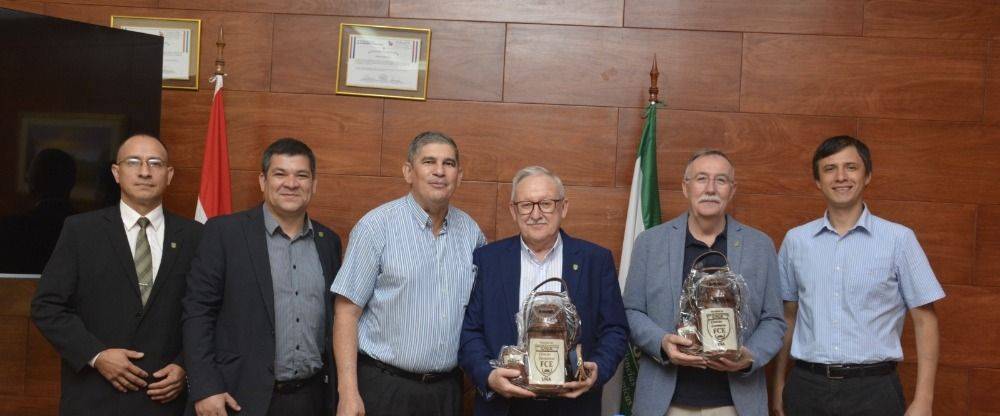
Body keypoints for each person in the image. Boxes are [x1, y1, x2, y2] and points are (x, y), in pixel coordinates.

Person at [770, 136, 944, 416]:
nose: (841, 177)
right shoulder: (796, 241)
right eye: (829, 169)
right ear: (817, 181)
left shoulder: (899, 239)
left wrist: (924, 399)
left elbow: (925, 320)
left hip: (875, 391)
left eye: (851, 167)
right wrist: (778, 386)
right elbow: (787, 317)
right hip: (806, 388)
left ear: (867, 176)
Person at [31, 134, 202, 415]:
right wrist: (96, 355)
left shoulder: (197, 237)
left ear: (168, 175)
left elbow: (207, 312)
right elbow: (46, 306)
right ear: (116, 172)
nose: (145, 171)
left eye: (155, 163)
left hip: (165, 402)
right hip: (94, 398)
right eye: (133, 162)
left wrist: (185, 366)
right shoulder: (81, 231)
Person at [183, 138, 342, 416]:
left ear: (313, 184)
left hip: (311, 400)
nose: (291, 183)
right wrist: (205, 386)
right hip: (237, 397)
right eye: (280, 174)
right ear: (262, 181)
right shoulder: (224, 233)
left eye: (301, 175)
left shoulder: (328, 241)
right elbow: (198, 312)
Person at [332, 131, 486, 416]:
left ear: (459, 175)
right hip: (385, 388)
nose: (439, 171)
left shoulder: (472, 233)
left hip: (446, 391)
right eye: (429, 161)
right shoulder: (375, 228)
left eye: (449, 163)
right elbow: (346, 313)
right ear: (408, 172)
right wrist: (348, 392)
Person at [623, 149, 786, 416]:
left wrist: (750, 356)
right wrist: (662, 343)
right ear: (685, 187)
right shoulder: (650, 243)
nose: (710, 188)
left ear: (732, 190)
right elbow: (631, 312)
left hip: (735, 403)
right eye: (701, 178)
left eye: (720, 180)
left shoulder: (760, 245)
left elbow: (774, 319)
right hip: (665, 402)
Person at [459, 166, 629, 415]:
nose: (536, 214)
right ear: (513, 211)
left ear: (564, 207)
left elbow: (615, 329)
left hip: (574, 405)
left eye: (546, 203)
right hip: (504, 407)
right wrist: (489, 376)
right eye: (526, 205)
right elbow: (470, 332)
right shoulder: (488, 260)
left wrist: (597, 370)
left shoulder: (596, 260)